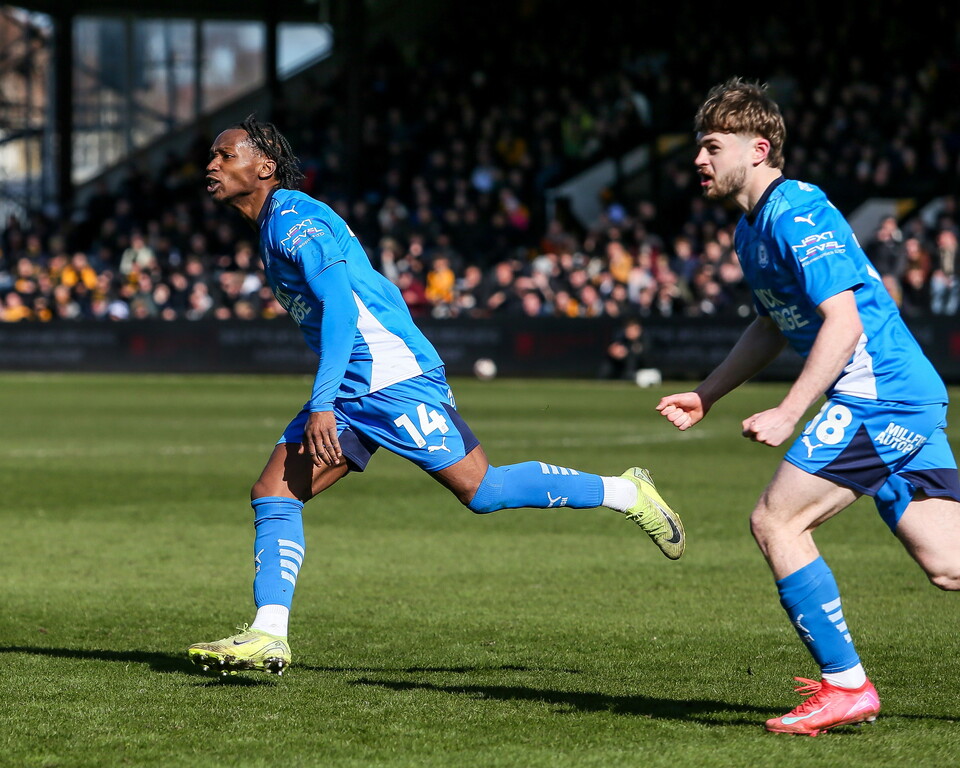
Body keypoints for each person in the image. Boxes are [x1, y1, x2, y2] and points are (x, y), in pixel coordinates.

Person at [187, 116, 685, 676]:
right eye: (212, 156)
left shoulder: (295, 218)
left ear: (264, 167)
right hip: (356, 385)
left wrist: (323, 401)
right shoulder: (275, 224)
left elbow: (343, 309)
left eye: (224, 155)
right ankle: (268, 634)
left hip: (392, 378)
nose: (212, 164)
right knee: (274, 493)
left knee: (484, 491)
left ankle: (626, 492)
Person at [657, 79, 960, 736]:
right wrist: (708, 394)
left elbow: (843, 322)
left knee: (776, 521)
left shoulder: (798, 210)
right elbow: (771, 326)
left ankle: (846, 685)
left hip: (880, 398)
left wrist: (791, 411)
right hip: (900, 397)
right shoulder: (750, 232)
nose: (699, 161)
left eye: (712, 147)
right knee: (949, 566)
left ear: (759, 148)